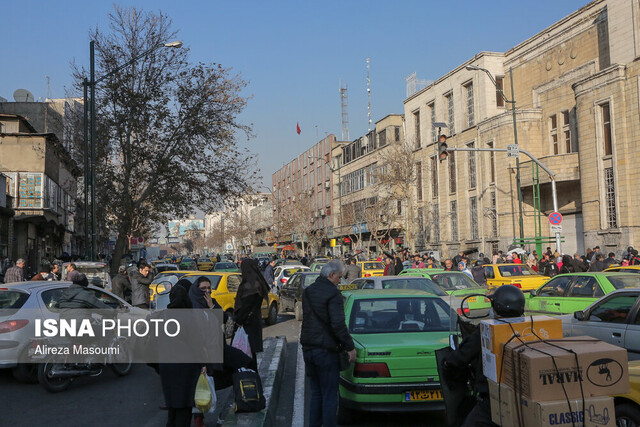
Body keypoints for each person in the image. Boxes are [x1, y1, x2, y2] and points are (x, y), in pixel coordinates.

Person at [442, 285, 526, 427]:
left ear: (497, 308)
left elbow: (460, 357)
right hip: (523, 399)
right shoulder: (532, 328)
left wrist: (447, 363)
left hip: (493, 400)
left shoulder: (486, 331)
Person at [301, 261, 356, 427]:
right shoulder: (333, 294)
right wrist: (350, 347)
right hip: (326, 351)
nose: (340, 281)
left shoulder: (308, 291)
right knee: (330, 394)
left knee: (316, 393)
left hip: (308, 348)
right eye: (339, 277)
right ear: (331, 275)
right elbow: (338, 324)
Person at [234, 258, 270, 371]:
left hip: (247, 324)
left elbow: (247, 305)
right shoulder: (256, 281)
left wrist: (239, 320)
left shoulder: (251, 284)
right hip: (253, 322)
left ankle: (250, 382)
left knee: (246, 357)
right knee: (250, 355)